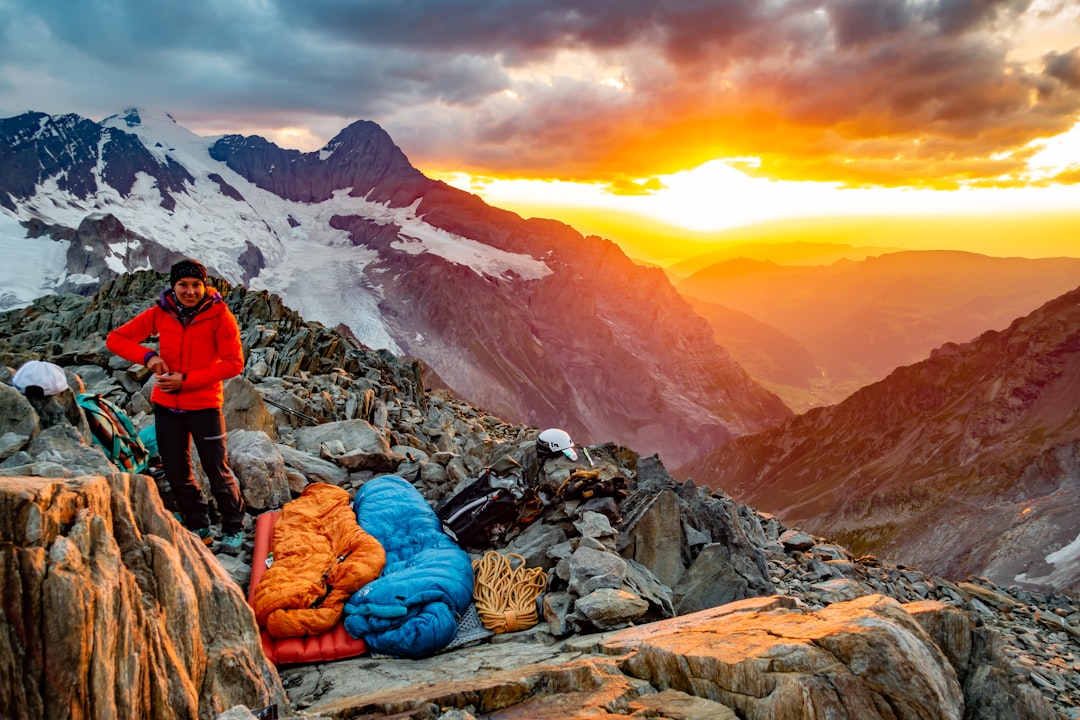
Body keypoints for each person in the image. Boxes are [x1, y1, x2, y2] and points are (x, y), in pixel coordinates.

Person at [106, 259, 247, 555]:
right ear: (173, 286)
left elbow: (234, 363)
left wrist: (187, 380)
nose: (190, 291)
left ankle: (234, 527)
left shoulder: (220, 317)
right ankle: (199, 525)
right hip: (166, 405)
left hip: (205, 404)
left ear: (205, 285)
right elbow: (116, 339)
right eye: (183, 284)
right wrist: (148, 358)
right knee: (176, 469)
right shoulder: (162, 313)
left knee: (215, 468)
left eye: (196, 284)